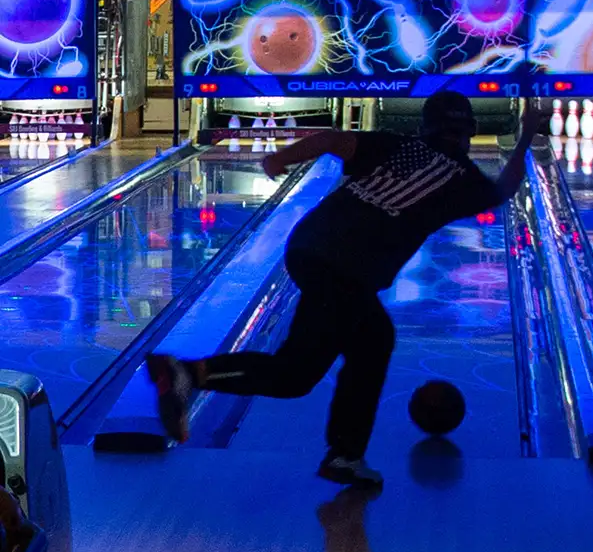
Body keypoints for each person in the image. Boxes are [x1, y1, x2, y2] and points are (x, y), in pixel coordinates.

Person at [146, 91, 541, 486]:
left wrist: (279, 158)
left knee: (362, 344)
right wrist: (525, 137)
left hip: (311, 244)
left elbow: (333, 139)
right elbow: (505, 187)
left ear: (424, 127)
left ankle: (343, 452)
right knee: (301, 372)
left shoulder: (397, 145)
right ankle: (191, 375)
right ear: (470, 131)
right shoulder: (466, 180)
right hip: (347, 266)